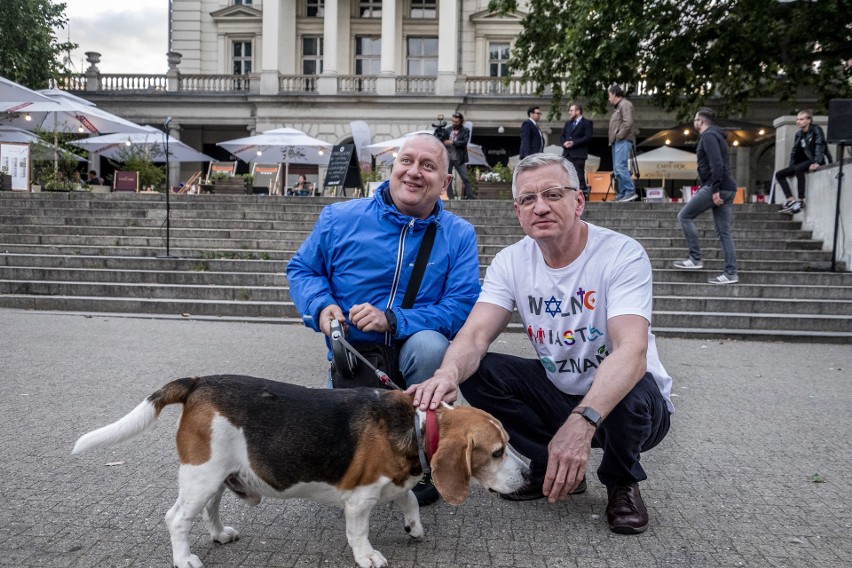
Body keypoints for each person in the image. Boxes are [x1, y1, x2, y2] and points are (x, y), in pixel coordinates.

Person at [407, 153, 673, 535]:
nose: (540, 207)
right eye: (528, 199)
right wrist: (446, 373)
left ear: (578, 201)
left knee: (631, 384)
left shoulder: (621, 254)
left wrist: (582, 422)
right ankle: (551, 467)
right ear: (518, 211)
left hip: (634, 408)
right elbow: (476, 334)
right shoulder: (511, 261)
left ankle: (621, 482)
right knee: (481, 371)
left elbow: (631, 350)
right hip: (559, 391)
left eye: (552, 194)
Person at [286, 133, 481, 507]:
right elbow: (303, 270)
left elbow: (461, 305)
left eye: (428, 166)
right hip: (356, 360)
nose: (414, 172)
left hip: (415, 355)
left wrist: (393, 319)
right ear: (392, 169)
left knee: (431, 346)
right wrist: (321, 307)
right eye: (407, 161)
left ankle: (426, 460)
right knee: (343, 465)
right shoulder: (339, 218)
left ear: (445, 181)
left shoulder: (458, 234)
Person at [673, 107, 739, 284]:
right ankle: (731, 273)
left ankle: (695, 258)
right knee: (724, 231)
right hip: (727, 187)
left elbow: (716, 164)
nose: (694, 123)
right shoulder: (717, 136)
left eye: (695, 120)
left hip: (716, 186)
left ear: (700, 121)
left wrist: (715, 190)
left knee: (684, 216)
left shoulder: (708, 136)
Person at [775, 110, 830, 215]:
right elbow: (794, 151)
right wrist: (791, 167)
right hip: (803, 161)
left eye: (801, 119)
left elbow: (820, 145)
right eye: (797, 119)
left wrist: (818, 162)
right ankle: (791, 201)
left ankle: (801, 201)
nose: (798, 121)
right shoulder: (799, 134)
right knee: (779, 174)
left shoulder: (816, 130)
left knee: (799, 169)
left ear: (809, 120)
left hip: (815, 159)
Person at [607, 85, 638, 202]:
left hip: (622, 140)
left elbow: (628, 122)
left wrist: (619, 135)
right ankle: (623, 192)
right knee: (617, 168)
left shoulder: (625, 105)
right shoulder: (619, 106)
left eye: (609, 95)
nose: (609, 98)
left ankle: (629, 191)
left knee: (620, 166)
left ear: (614, 94)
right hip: (618, 140)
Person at [560, 103, 594, 197]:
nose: (569, 112)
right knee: (566, 174)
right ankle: (568, 194)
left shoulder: (587, 123)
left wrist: (574, 143)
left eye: (571, 110)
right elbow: (562, 136)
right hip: (567, 154)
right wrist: (564, 143)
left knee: (579, 174)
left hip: (579, 154)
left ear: (578, 111)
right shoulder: (568, 123)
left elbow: (588, 137)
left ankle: (581, 193)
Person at [442, 112, 475, 200]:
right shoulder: (447, 130)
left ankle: (470, 196)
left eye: (456, 121)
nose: (454, 123)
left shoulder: (465, 130)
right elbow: (441, 141)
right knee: (448, 178)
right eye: (453, 121)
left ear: (460, 121)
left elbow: (464, 142)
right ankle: (450, 197)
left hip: (459, 158)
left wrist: (452, 142)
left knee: (465, 178)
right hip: (448, 158)